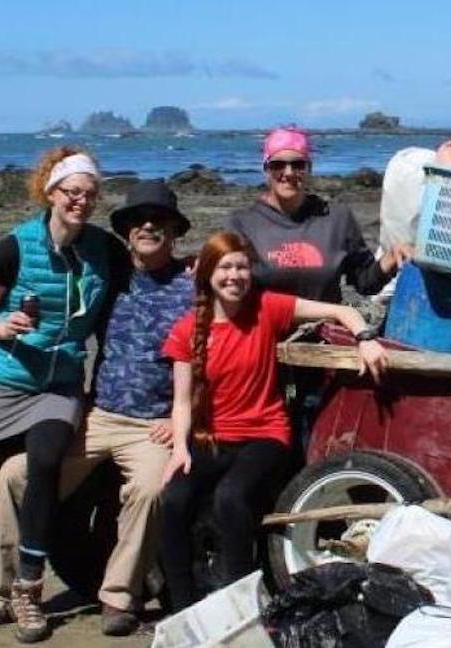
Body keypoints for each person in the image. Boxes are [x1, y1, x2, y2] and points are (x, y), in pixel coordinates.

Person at [0, 180, 194, 638]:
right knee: (15, 476)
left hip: (152, 426)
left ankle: (118, 596)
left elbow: (212, 359)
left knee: (149, 489)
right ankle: (2, 595)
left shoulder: (193, 287)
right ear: (125, 232)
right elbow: (61, 282)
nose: (148, 227)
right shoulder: (110, 276)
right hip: (98, 415)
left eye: (159, 221)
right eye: (138, 221)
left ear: (174, 232)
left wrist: (178, 418)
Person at [159, 231, 389, 611]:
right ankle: (182, 609)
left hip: (265, 435)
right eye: (225, 267)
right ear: (207, 276)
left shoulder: (267, 308)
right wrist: (179, 450)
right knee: (173, 501)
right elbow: (181, 403)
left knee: (230, 497)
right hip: (213, 437)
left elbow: (339, 310)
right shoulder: (188, 330)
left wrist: (365, 337)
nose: (234, 276)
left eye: (242, 267)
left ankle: (243, 605)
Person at [0, 147, 120, 642]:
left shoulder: (103, 250)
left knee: (45, 460)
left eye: (90, 194)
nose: (81, 202)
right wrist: (2, 330)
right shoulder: (15, 246)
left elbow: (147, 274)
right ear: (51, 192)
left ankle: (28, 588)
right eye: (72, 192)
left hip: (60, 384)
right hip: (5, 379)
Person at [227, 126, 410, 303]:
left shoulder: (337, 218)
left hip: (323, 330)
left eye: (298, 164)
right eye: (278, 165)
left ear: (309, 168)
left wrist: (390, 258)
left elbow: (364, 282)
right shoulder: (243, 223)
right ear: (266, 169)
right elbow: (229, 286)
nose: (289, 172)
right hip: (266, 331)